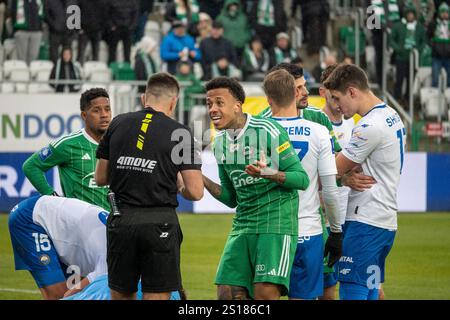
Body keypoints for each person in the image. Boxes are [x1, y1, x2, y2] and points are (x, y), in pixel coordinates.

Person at [95, 72, 204, 300]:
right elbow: (195, 192)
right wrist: (179, 184)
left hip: (121, 219)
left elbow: (101, 178)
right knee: (157, 295)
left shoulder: (118, 123)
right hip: (159, 222)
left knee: (121, 294)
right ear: (173, 102)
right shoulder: (180, 132)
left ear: (145, 98)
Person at [202, 77, 310, 300]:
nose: (212, 109)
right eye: (209, 104)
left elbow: (301, 179)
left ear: (237, 105)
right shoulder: (219, 142)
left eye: (219, 103)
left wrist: (268, 173)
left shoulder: (267, 130)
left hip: (276, 224)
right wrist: (200, 178)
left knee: (264, 296)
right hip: (243, 225)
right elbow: (232, 197)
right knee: (226, 293)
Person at [324, 63, 406, 300]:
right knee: (370, 288)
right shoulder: (391, 114)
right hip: (385, 222)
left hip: (366, 220)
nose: (337, 106)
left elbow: (332, 169)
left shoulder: (369, 126)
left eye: (338, 98)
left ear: (352, 91)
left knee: (352, 287)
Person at [262, 69, 342, 300]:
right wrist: (336, 231)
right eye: (300, 87)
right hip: (309, 229)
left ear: (270, 97)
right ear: (292, 92)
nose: (305, 91)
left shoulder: (257, 128)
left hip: (270, 230)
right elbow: (330, 189)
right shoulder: (318, 131)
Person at [22, 88, 112, 211]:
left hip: (113, 223)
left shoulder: (118, 143)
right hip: (80, 224)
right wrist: (51, 197)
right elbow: (31, 166)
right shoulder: (67, 144)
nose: (104, 115)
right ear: (84, 116)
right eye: (97, 110)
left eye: (107, 109)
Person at [8, 195, 110, 300]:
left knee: (76, 287)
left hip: (66, 233)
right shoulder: (110, 263)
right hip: (31, 219)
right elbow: (68, 296)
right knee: (58, 295)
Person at [389, 5, 426, 103]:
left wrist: (418, 50)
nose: (410, 16)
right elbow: (392, 39)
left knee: (411, 80)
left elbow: (423, 41)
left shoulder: (419, 27)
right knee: (399, 79)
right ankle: (397, 98)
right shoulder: (398, 25)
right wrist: (398, 49)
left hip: (413, 58)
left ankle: (407, 99)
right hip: (401, 57)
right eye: (408, 14)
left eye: (412, 14)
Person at [10, 0, 44, 64]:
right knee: (21, 61)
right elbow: (12, 11)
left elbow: (44, 11)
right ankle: (22, 74)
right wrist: (17, 29)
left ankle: (30, 74)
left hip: (36, 32)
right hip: (21, 31)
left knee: (33, 60)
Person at [106, 0, 140, 64]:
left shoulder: (132, 2)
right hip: (116, 28)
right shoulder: (112, 1)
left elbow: (136, 14)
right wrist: (112, 26)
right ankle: (111, 67)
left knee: (127, 52)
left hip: (127, 29)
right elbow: (107, 13)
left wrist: (132, 26)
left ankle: (127, 69)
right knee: (112, 52)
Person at [77, 0, 106, 65]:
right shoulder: (82, 1)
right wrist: (78, 28)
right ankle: (79, 72)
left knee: (95, 56)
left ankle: (94, 71)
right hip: (84, 31)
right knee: (80, 55)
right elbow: (76, 12)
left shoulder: (101, 2)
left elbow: (104, 14)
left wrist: (101, 28)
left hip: (97, 30)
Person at [428, 2, 450, 88]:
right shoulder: (433, 24)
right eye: (442, 12)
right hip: (436, 56)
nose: (445, 14)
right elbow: (427, 37)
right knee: (435, 79)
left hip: (449, 56)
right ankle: (434, 97)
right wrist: (433, 45)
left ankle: (448, 99)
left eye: (446, 12)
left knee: (449, 80)